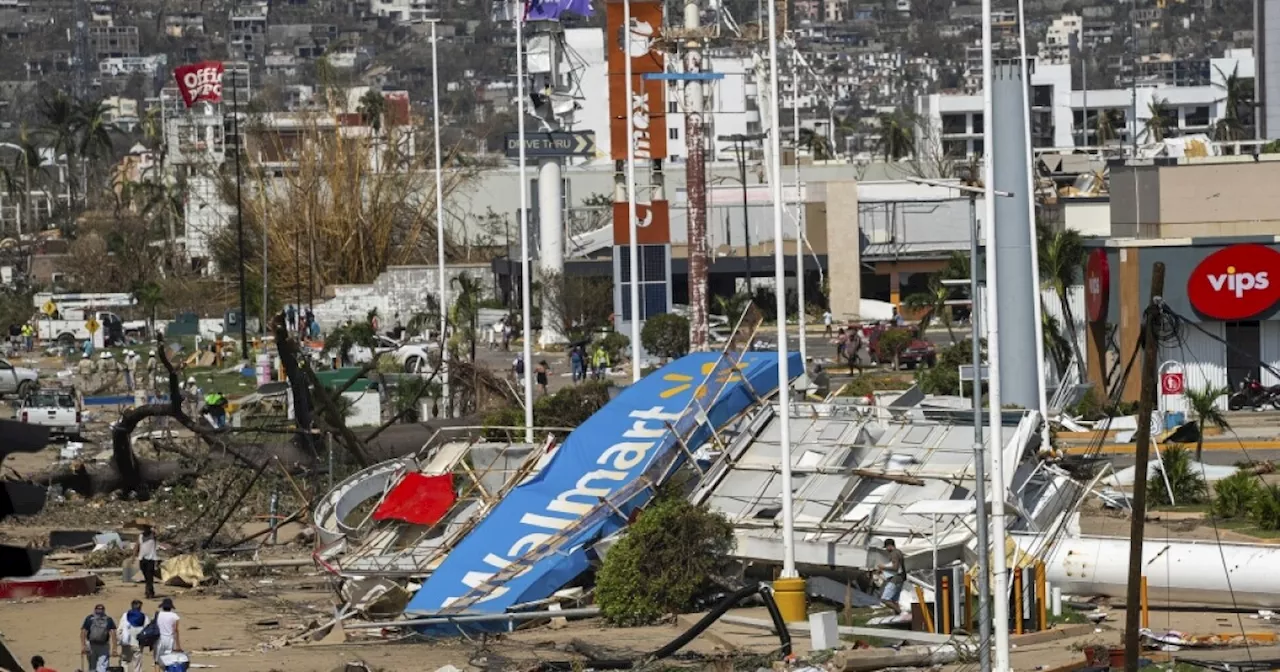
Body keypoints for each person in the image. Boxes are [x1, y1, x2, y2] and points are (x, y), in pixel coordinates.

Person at [80, 603, 117, 672]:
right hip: (104, 645)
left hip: (91, 644)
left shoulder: (89, 618)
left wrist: (83, 645)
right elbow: (113, 633)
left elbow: (83, 632)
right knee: (103, 666)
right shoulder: (108, 619)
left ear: (95, 610)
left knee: (92, 666)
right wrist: (114, 648)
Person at [118, 599, 148, 672]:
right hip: (138, 643)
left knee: (124, 661)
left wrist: (119, 640)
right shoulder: (144, 617)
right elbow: (147, 630)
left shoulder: (125, 615)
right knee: (137, 663)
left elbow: (119, 629)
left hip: (126, 642)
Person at [153, 598, 182, 669]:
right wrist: (178, 645)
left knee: (157, 661)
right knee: (168, 660)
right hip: (170, 639)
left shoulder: (158, 614)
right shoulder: (174, 616)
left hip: (159, 638)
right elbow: (176, 630)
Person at [878, 538, 906, 609]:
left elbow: (895, 567)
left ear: (889, 546)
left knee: (885, 599)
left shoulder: (894, 553)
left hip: (895, 578)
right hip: (901, 578)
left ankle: (901, 613)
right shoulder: (899, 552)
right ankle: (899, 615)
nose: (886, 550)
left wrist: (883, 567)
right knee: (894, 601)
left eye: (886, 547)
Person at [138, 526, 159, 599]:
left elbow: (158, 533)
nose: (145, 530)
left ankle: (149, 592)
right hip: (142, 558)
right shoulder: (140, 536)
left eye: (146, 528)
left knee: (149, 575)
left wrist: (154, 528)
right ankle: (150, 590)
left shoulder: (152, 535)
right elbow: (137, 545)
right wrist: (134, 556)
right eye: (144, 528)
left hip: (151, 558)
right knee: (146, 576)